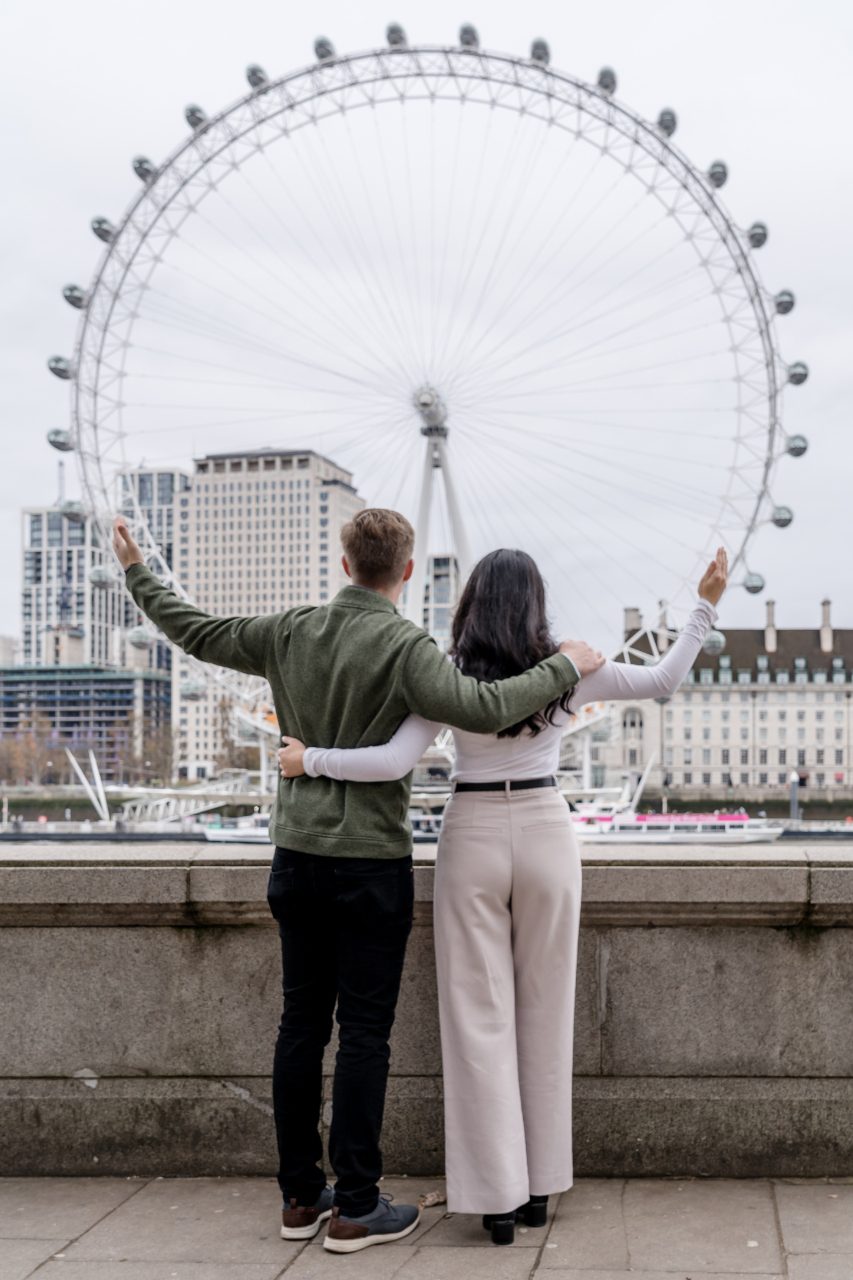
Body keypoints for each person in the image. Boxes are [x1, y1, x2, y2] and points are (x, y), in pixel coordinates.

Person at [112, 510, 603, 1255]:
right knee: (364, 1036)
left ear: (344, 564)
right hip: (370, 861)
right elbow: (484, 706)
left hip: (296, 855)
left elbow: (196, 631)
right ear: (406, 573)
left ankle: (299, 1197)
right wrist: (565, 664)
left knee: (299, 1027)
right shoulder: (406, 646)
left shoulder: (288, 630)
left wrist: (138, 571)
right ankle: (358, 1205)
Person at [278, 545, 728, 1244]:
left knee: (476, 1019)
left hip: (473, 832)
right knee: (545, 1011)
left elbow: (392, 762)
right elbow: (665, 679)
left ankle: (494, 1198)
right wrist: (704, 604)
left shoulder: (449, 674)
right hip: (547, 830)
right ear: (535, 605)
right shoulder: (572, 669)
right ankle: (541, 1187)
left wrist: (311, 760)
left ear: (469, 605)